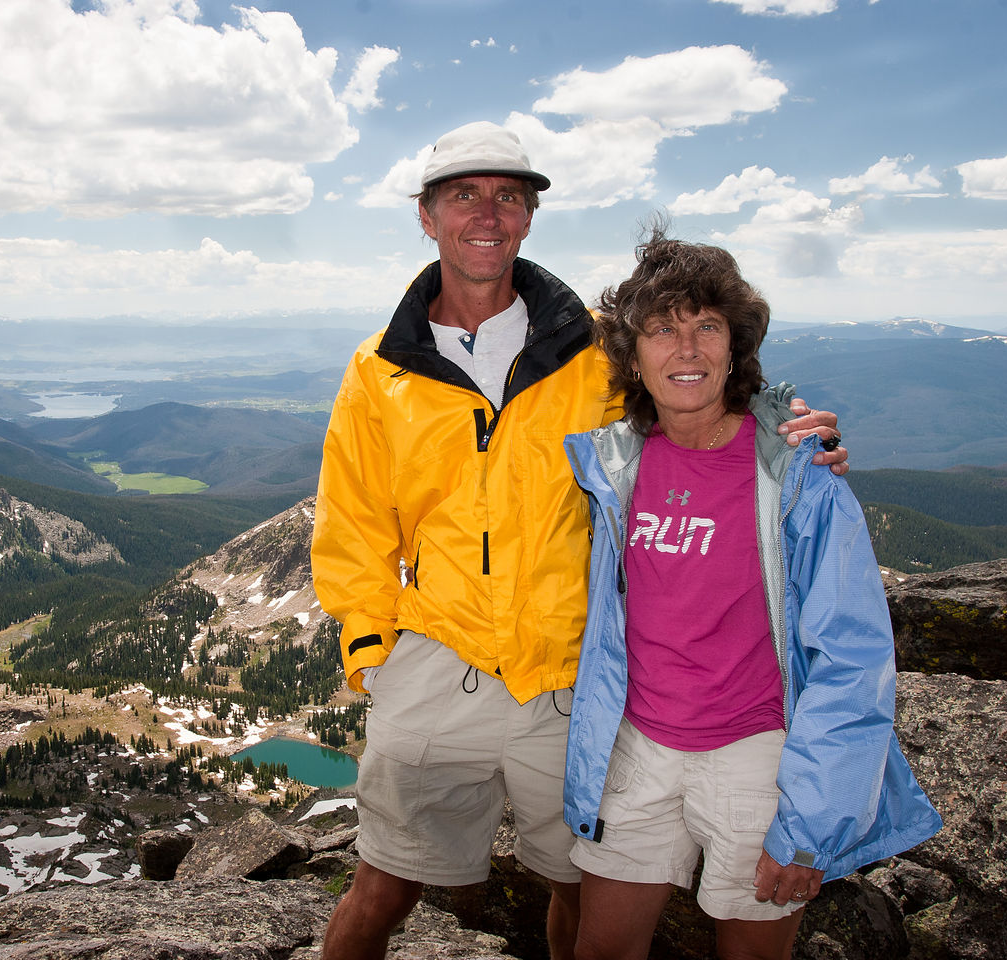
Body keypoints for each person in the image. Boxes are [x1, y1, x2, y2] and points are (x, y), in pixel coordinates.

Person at [310, 122, 848, 960]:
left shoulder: (596, 348)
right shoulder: (380, 368)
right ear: (427, 216)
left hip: (569, 675)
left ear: (528, 217)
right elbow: (352, 524)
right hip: (434, 659)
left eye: (509, 197)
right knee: (383, 884)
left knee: (580, 887)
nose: (488, 214)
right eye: (465, 196)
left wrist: (788, 430)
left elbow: (694, 391)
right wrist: (371, 651)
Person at [562, 228, 941, 960]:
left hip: (756, 757)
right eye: (661, 330)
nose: (688, 349)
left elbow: (852, 656)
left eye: (707, 326)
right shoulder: (616, 467)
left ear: (735, 346)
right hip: (636, 746)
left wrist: (812, 825)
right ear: (632, 356)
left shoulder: (796, 474)